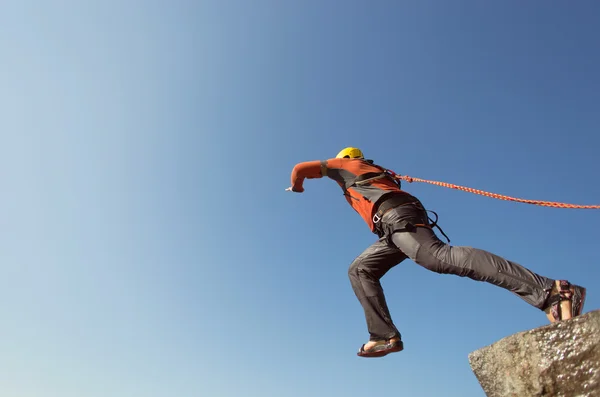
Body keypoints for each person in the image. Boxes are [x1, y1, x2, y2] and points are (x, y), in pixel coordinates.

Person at [286, 147, 587, 358]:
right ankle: (383, 336)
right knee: (360, 269)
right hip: (392, 228)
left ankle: (553, 291)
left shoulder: (345, 167)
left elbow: (301, 169)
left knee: (439, 257)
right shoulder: (375, 174)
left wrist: (296, 187)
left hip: (397, 218)